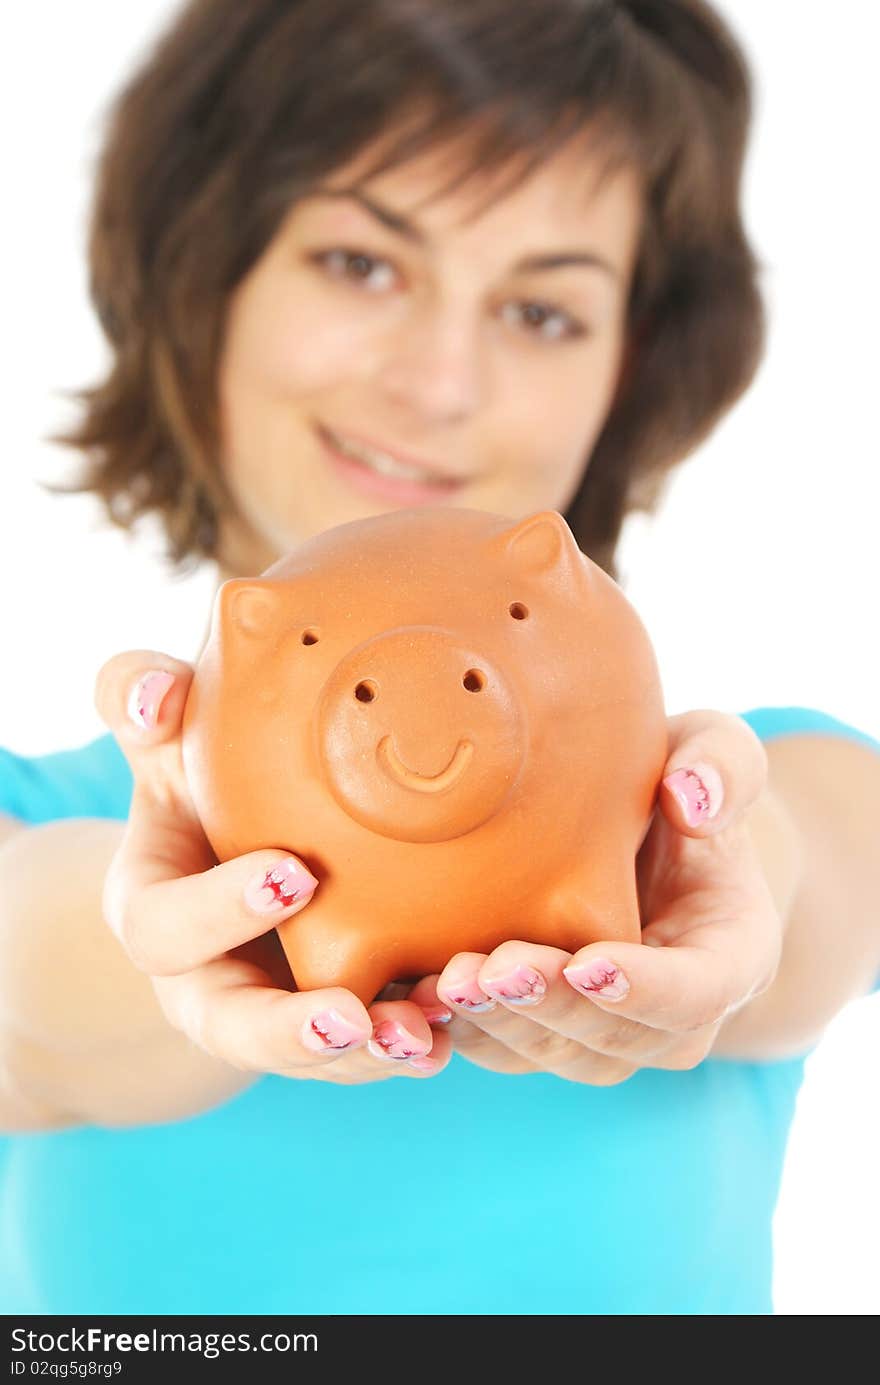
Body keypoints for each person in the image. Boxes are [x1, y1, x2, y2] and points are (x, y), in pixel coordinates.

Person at [0, 0, 878, 1315]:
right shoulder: (42, 831)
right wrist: (176, 945)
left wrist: (699, 870)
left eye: (541, 310)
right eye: (362, 262)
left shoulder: (782, 779)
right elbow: (33, 984)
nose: (439, 382)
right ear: (210, 276)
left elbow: (803, 892)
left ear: (626, 375)